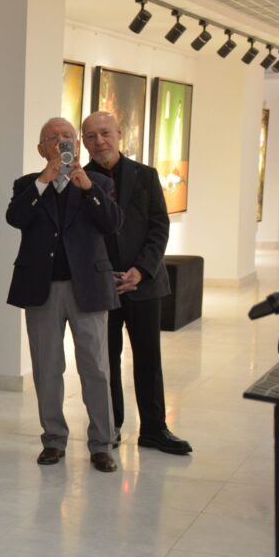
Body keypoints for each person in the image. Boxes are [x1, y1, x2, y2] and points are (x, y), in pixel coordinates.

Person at [6, 117, 122, 473]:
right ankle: (54, 439)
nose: (60, 142)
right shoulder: (28, 184)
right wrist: (44, 180)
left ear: (77, 144)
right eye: (53, 138)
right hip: (42, 289)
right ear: (42, 149)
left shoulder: (99, 182)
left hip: (89, 287)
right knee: (47, 367)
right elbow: (15, 218)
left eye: (67, 136)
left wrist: (88, 189)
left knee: (96, 368)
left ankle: (102, 442)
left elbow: (112, 224)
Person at [82, 111, 192, 455]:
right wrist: (104, 273)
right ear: (84, 142)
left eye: (105, 133)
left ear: (119, 134)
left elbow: (159, 227)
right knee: (105, 361)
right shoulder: (79, 180)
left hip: (143, 284)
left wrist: (141, 271)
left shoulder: (146, 175)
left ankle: (154, 430)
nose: (99, 141)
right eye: (91, 136)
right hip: (101, 286)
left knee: (148, 358)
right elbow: (79, 235)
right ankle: (110, 426)